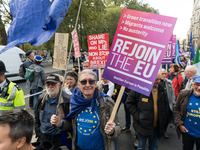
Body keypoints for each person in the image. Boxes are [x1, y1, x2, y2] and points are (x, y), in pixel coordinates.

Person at [51, 69, 121, 150]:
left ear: (95, 83)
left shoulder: (107, 102)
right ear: (79, 84)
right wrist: (60, 123)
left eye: (91, 81)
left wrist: (112, 131)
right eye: (83, 82)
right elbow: (72, 124)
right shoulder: (74, 101)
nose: (87, 85)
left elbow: (118, 127)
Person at [126, 72, 168, 150]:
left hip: (157, 126)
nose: (158, 81)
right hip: (142, 126)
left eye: (159, 79)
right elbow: (129, 103)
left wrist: (164, 119)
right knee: (141, 147)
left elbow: (165, 105)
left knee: (154, 147)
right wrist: (138, 117)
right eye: (156, 80)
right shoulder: (139, 88)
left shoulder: (161, 88)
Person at [35, 74, 71, 149]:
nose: (50, 86)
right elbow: (36, 119)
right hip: (43, 138)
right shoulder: (41, 98)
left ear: (59, 84)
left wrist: (60, 123)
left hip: (60, 139)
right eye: (48, 84)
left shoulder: (67, 100)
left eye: (53, 84)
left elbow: (72, 123)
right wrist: (39, 134)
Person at [174, 75, 200, 150]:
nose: (199, 88)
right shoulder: (184, 94)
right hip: (187, 132)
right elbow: (176, 108)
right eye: (197, 85)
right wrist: (180, 124)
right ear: (192, 84)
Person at [161, 69, 176, 138]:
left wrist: (173, 102)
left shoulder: (169, 82)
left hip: (167, 103)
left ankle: (164, 131)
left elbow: (172, 93)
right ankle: (158, 131)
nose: (164, 75)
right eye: (162, 73)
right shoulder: (156, 82)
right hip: (160, 104)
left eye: (165, 73)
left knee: (167, 118)